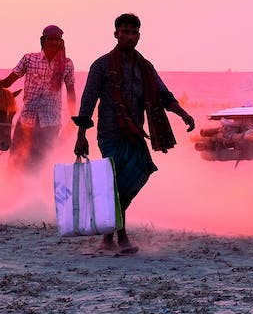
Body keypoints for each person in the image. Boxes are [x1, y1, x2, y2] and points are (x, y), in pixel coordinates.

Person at [73, 13, 195, 254]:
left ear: (139, 35)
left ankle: (109, 235)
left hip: (135, 132)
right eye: (125, 32)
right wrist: (81, 135)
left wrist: (183, 114)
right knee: (114, 181)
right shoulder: (101, 65)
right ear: (115, 34)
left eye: (134, 32)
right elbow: (88, 100)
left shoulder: (145, 67)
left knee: (139, 172)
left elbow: (164, 95)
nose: (129, 36)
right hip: (110, 133)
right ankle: (120, 235)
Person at [0, 25, 77, 170]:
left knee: (44, 163)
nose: (53, 42)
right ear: (43, 40)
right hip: (27, 120)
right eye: (50, 39)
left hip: (50, 122)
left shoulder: (67, 64)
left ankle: (37, 191)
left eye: (57, 40)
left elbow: (71, 92)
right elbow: (7, 82)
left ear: (61, 42)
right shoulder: (29, 59)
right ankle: (13, 190)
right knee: (16, 162)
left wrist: (73, 118)